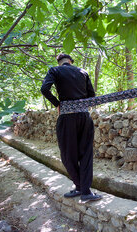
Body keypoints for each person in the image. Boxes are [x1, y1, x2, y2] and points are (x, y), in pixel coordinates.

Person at [41, 53, 102, 202]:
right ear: (70, 61)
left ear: (60, 62)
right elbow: (91, 96)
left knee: (68, 155)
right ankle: (85, 190)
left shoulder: (54, 71)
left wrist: (57, 104)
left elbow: (44, 89)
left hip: (67, 118)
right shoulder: (83, 72)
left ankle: (80, 186)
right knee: (86, 154)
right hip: (84, 118)